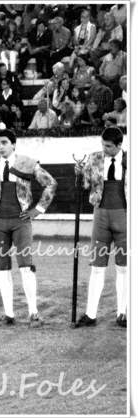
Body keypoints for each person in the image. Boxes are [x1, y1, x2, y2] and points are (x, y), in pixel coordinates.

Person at [0, 129, 57, 327]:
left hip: (21, 220)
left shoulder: (27, 163)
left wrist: (38, 209)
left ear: (13, 144)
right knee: (2, 268)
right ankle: (8, 314)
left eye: (4, 142)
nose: (0, 147)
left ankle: (33, 313)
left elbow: (51, 183)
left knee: (26, 266)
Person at [74, 127, 127, 328]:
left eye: (109, 146)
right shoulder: (94, 158)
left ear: (119, 145)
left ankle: (123, 313)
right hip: (101, 217)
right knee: (97, 267)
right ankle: (90, 314)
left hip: (125, 216)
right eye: (103, 145)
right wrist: (79, 173)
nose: (104, 149)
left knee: (124, 268)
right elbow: (85, 185)